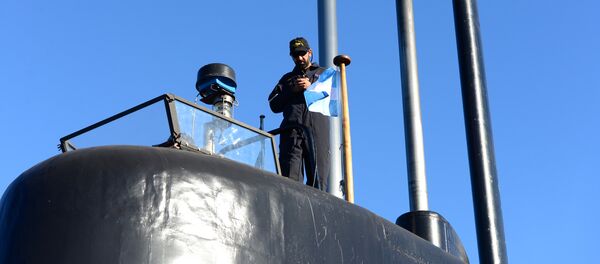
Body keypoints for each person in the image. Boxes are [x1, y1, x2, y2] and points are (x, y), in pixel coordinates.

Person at [268, 37, 330, 191]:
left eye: (302, 54)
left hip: (317, 131)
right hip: (291, 132)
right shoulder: (287, 79)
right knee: (289, 180)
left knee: (318, 180)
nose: (300, 58)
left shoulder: (324, 74)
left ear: (310, 53)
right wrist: (290, 90)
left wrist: (311, 87)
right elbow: (273, 104)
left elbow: (334, 98)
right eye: (296, 55)